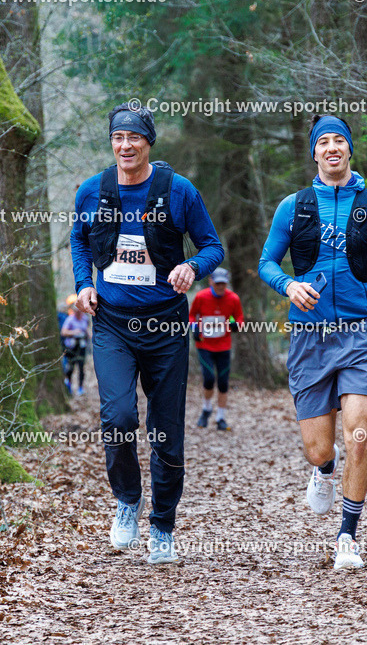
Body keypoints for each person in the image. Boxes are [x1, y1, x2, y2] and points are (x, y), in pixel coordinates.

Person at [70, 102, 224, 564]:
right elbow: (79, 240)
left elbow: (212, 246)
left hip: (165, 324)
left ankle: (163, 526)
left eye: (134, 137)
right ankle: (127, 500)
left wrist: (192, 266)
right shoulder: (92, 191)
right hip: (112, 323)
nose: (125, 146)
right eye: (118, 138)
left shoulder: (178, 191)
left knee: (166, 430)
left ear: (148, 143)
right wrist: (83, 284)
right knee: (117, 417)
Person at [258, 115, 367, 569]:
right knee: (319, 448)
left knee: (359, 435)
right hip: (309, 337)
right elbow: (267, 263)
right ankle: (324, 469)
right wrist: (289, 285)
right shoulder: (293, 207)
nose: (331, 148)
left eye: (339, 141)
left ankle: (347, 536)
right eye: (323, 141)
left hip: (359, 334)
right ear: (314, 152)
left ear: (349, 150)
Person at [189, 267, 243, 431]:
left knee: (223, 382)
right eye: (217, 283)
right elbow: (191, 315)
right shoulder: (201, 296)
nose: (220, 286)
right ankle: (206, 409)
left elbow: (239, 318)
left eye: (223, 284)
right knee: (209, 379)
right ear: (211, 281)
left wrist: (236, 325)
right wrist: (194, 328)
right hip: (205, 345)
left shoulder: (233, 298)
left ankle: (221, 417)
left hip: (224, 346)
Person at [61, 306, 90, 396]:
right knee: (70, 367)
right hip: (72, 347)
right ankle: (68, 385)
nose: (79, 313)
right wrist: (74, 332)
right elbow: (63, 332)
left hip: (81, 346)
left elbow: (87, 330)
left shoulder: (85, 318)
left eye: (80, 311)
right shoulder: (70, 319)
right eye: (77, 311)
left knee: (81, 367)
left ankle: (80, 388)